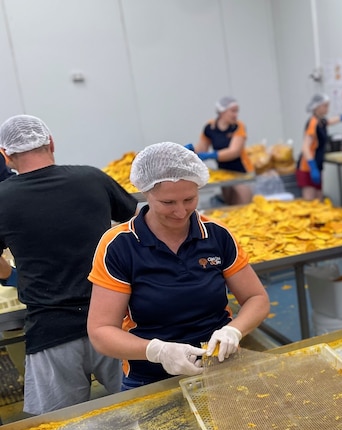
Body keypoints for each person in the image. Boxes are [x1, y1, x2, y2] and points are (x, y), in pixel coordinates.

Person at [87, 142, 270, 388]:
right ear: (146, 193)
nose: (181, 212)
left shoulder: (216, 235)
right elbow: (101, 331)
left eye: (189, 199)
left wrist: (234, 330)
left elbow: (256, 298)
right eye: (168, 203)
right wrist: (157, 351)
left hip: (221, 369)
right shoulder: (120, 245)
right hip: (150, 379)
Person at [0, 114, 138, 415]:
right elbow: (134, 221)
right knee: (147, 411)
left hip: (51, 331)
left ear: (6, 155)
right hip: (115, 320)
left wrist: (12, 277)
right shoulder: (91, 178)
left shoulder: (2, 198)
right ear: (51, 142)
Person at [191, 96, 254, 205]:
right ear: (222, 112)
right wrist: (190, 151)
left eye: (237, 111)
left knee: (243, 206)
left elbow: (234, 151)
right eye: (233, 111)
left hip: (241, 173)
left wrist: (212, 155)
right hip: (224, 173)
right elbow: (201, 148)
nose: (236, 115)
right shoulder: (210, 127)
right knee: (230, 205)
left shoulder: (238, 126)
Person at [296, 93, 342, 201]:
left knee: (319, 199)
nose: (328, 108)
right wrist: (312, 167)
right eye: (325, 106)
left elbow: (329, 122)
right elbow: (305, 147)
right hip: (307, 167)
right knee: (310, 201)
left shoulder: (320, 121)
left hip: (318, 165)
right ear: (317, 107)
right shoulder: (312, 123)